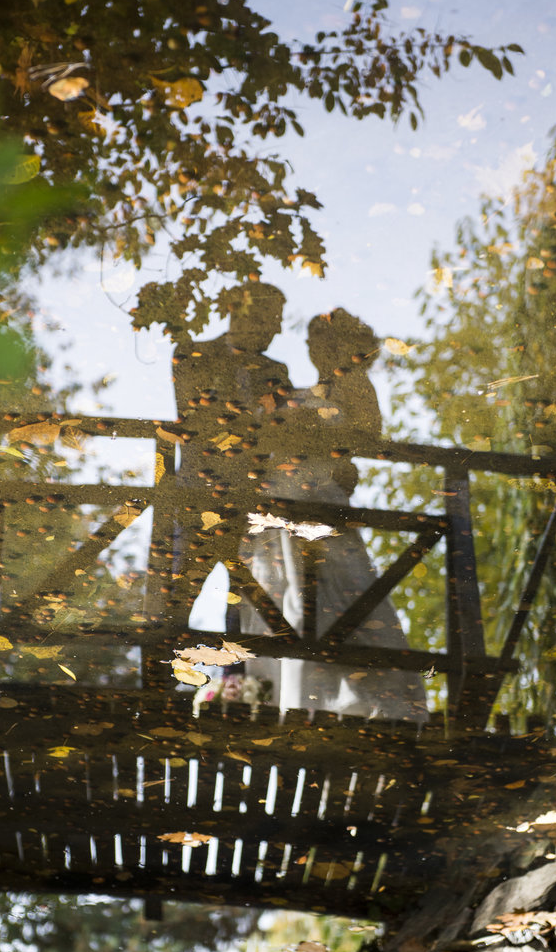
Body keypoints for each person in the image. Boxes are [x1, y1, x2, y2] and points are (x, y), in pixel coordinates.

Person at [240, 308, 428, 723]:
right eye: (311, 342)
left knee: (334, 594)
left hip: (314, 498)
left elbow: (361, 437)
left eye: (321, 342)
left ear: (342, 346)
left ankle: (337, 699)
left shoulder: (354, 387)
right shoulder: (315, 389)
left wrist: (294, 419)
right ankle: (283, 697)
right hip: (281, 498)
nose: (313, 349)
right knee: (285, 593)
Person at [168, 283, 293, 631]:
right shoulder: (192, 355)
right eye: (272, 318)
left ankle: (237, 666)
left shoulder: (277, 372)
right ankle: (164, 662)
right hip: (197, 495)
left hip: (252, 502)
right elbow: (200, 418)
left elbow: (279, 430)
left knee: (248, 605)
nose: (277, 329)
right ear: (241, 312)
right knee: (175, 601)